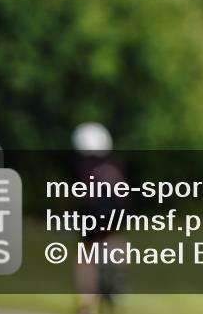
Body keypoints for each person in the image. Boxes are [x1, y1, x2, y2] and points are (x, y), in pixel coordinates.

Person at [70, 122, 126, 314]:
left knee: (86, 254)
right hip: (117, 212)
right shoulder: (115, 164)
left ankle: (86, 303)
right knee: (115, 239)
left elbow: (77, 196)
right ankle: (118, 277)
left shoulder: (82, 166)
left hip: (92, 213)